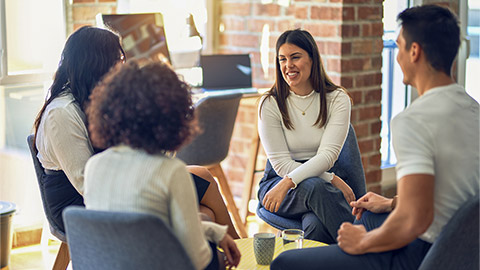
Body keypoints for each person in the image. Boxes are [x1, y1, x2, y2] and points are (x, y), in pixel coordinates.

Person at [270, 5, 479, 270]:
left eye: (399, 46)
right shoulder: (474, 110)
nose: (397, 56)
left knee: (285, 263)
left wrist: (364, 242)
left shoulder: (413, 120)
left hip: (423, 253)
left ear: (414, 52)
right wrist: (391, 202)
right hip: (466, 250)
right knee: (367, 217)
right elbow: (455, 192)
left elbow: (415, 219)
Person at [33, 26, 240, 239]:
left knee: (204, 195)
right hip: (80, 205)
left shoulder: (94, 98)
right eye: (116, 61)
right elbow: (87, 185)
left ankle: (240, 250)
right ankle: (240, 252)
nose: (121, 68)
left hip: (117, 184)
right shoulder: (62, 113)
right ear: (97, 64)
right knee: (202, 209)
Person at [84, 60, 241, 270]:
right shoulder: (170, 171)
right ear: (172, 116)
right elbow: (198, 259)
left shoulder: (95, 165)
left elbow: (145, 230)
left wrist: (214, 232)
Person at [257, 29, 356, 243]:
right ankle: (367, 252)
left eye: (295, 57)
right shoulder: (270, 103)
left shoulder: (337, 99)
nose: (287, 65)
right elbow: (282, 165)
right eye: (282, 59)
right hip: (278, 184)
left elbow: (328, 156)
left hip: (321, 186)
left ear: (312, 59)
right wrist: (330, 178)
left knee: (315, 225)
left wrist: (315, 178)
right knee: (315, 187)